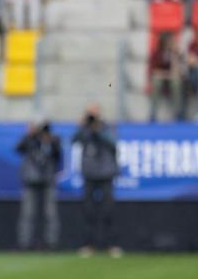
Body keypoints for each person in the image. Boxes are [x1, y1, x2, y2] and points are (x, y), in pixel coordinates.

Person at [72, 105, 120, 258]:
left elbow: (112, 143)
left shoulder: (107, 127)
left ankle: (110, 244)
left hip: (106, 174)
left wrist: (97, 129)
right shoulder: (85, 130)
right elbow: (74, 140)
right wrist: (83, 126)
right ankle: (88, 244)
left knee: (108, 210)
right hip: (89, 174)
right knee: (88, 211)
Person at [15, 121, 61, 250]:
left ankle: (51, 243)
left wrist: (48, 141)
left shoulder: (53, 140)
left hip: (48, 179)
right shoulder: (30, 140)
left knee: (50, 213)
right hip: (30, 179)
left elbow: (58, 155)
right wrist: (30, 135)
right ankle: (24, 243)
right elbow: (18, 148)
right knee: (27, 213)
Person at [148, 31, 183, 122]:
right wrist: (167, 74)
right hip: (161, 79)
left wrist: (174, 55)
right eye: (170, 41)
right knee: (156, 81)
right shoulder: (156, 53)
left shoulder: (176, 53)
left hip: (171, 80)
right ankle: (153, 113)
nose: (171, 43)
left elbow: (176, 72)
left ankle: (178, 113)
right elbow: (154, 72)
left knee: (176, 82)